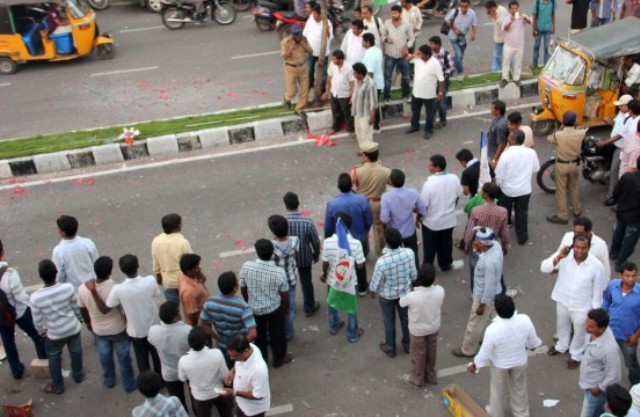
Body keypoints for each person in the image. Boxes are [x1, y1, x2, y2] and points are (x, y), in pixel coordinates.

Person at [467, 294, 542, 417]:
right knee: (519, 389)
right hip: (520, 361)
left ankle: (496, 413)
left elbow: (485, 352)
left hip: (500, 364)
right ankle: (522, 413)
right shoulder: (525, 320)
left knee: (498, 391)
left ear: (497, 310)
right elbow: (533, 342)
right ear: (513, 307)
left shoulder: (493, 329)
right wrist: (531, 345)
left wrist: (476, 365)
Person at [541, 234, 607, 369]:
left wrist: (595, 311)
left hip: (582, 306)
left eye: (584, 248)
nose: (580, 251)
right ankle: (562, 346)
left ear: (589, 247)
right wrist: (559, 256)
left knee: (580, 332)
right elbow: (545, 268)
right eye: (577, 247)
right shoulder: (564, 256)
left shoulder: (597, 266)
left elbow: (598, 290)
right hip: (563, 299)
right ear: (573, 246)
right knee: (562, 325)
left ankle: (576, 355)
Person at [77, 256, 136, 392]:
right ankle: (128, 383)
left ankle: (109, 379)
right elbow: (124, 309)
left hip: (98, 330)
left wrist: (88, 323)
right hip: (118, 328)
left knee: (105, 356)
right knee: (124, 357)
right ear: (110, 271)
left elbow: (82, 308)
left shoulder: (83, 289)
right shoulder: (115, 288)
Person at [30, 259, 84, 395]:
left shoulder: (36, 298)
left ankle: (58, 385)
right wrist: (80, 320)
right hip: (72, 327)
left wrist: (41, 331)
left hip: (55, 333)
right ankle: (78, 375)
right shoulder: (68, 288)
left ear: (41, 276)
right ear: (56, 273)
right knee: (76, 351)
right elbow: (75, 307)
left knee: (54, 356)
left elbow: (37, 320)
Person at [451, 227, 504, 358]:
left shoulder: (489, 262)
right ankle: (496, 340)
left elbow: (489, 287)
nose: (474, 243)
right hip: (495, 292)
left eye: (477, 242)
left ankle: (467, 349)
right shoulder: (496, 246)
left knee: (474, 324)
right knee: (495, 319)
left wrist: (482, 304)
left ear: (483, 244)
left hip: (484, 297)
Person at [239, 239, 292, 368]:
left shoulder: (247, 266)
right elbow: (284, 293)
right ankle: (279, 358)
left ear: (256, 252)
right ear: (272, 253)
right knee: (278, 334)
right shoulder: (278, 272)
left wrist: (247, 300)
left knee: (260, 336)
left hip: (255, 309)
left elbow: (243, 287)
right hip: (274, 308)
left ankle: (262, 361)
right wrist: (286, 306)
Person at [106, 254, 162, 375]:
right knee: (157, 355)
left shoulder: (119, 289)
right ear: (138, 266)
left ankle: (147, 382)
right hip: (154, 325)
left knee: (142, 358)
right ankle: (161, 380)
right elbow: (156, 293)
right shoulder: (150, 280)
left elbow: (110, 303)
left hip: (136, 330)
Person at [0, 239, 47, 381]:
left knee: (8, 341)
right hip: (19, 311)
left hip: (1, 316)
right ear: (2, 252)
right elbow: (20, 296)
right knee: (36, 334)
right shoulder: (9, 273)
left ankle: (16, 370)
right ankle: (43, 360)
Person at [369, 228, 417, 358]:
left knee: (389, 321)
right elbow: (414, 275)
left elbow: (376, 284)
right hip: (405, 294)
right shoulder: (409, 253)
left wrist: (372, 291)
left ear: (386, 242)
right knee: (406, 319)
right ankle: (408, 345)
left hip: (387, 296)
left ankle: (390, 347)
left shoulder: (382, 262)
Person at [324, 173, 373, 295]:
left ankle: (345, 285)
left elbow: (328, 226)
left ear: (338, 186)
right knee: (360, 261)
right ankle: (362, 287)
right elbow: (369, 219)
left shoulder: (332, 203)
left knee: (342, 262)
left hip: (341, 240)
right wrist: (365, 230)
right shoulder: (362, 199)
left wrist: (328, 238)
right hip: (360, 237)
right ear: (351, 185)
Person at [320, 213, 366, 343]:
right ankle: (352, 334)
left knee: (332, 302)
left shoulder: (328, 242)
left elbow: (325, 263)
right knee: (351, 307)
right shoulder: (356, 243)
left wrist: (324, 275)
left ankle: (334, 326)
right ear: (349, 226)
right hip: (350, 282)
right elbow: (361, 265)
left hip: (332, 280)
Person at [199, 271, 257, 368]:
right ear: (235, 288)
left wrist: (216, 337)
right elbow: (253, 333)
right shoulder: (243, 307)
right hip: (241, 349)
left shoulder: (210, 302)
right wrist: (239, 345)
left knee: (230, 369)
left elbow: (202, 324)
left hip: (224, 345)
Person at [399, 264, 444, 387]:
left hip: (418, 331)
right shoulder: (440, 291)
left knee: (418, 354)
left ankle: (417, 378)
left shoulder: (413, 296)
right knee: (432, 351)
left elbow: (401, 302)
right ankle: (431, 375)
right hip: (433, 327)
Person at [495, 129, 540, 245]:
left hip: (507, 190)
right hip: (524, 189)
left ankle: (505, 229)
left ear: (513, 140)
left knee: (505, 211)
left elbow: (499, 174)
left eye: (509, 137)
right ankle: (522, 236)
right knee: (522, 213)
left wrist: (497, 185)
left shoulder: (506, 155)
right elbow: (536, 168)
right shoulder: (531, 152)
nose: (508, 139)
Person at [463, 184, 510, 293]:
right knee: (496, 269)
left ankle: (474, 291)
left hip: (478, 246)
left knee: (475, 269)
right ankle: (501, 290)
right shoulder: (503, 211)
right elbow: (504, 232)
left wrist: (467, 245)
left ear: (485, 194)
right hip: (493, 245)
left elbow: (470, 231)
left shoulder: (476, 211)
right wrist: (505, 246)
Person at [420, 154, 463, 271]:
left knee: (429, 247)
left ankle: (427, 268)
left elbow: (423, 205)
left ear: (438, 168)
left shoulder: (429, 184)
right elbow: (458, 195)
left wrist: (419, 217)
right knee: (445, 245)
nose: (428, 167)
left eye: (430, 165)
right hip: (448, 221)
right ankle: (445, 264)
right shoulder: (454, 178)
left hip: (431, 223)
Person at [178, 327, 232, 417]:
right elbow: (225, 375)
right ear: (206, 341)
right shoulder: (216, 353)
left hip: (199, 396)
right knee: (226, 413)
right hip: (219, 391)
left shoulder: (183, 361)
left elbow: (182, 377)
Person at [283, 192, 321, 317]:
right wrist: (316, 255)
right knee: (306, 282)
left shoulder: (283, 222)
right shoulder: (307, 222)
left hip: (288, 259)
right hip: (305, 258)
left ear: (286, 206)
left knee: (288, 284)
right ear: (298, 204)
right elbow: (315, 241)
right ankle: (309, 307)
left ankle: (288, 307)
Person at [578, 309, 622, 417]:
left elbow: (614, 376)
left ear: (601, 329)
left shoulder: (609, 349)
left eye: (591, 326)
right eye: (587, 323)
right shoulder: (593, 333)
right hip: (589, 383)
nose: (586, 327)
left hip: (596, 389)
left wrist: (598, 389)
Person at [380, 168, 427, 270]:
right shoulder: (413, 193)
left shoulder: (386, 197)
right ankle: (415, 277)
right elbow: (423, 209)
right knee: (413, 254)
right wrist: (418, 218)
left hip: (394, 233)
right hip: (409, 231)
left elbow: (385, 218)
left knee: (395, 258)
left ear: (391, 182)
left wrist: (383, 227)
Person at [148, 302, 192, 410]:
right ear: (175, 317)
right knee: (194, 394)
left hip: (169, 372)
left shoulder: (154, 331)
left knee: (177, 401)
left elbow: (151, 340)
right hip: (188, 369)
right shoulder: (187, 331)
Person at [602, 262, 640, 386]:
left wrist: (636, 336)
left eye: (633, 276)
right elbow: (607, 301)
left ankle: (635, 386)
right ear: (621, 275)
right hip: (609, 332)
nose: (630, 279)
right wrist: (601, 322)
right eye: (627, 275)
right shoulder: (613, 285)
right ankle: (609, 382)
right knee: (607, 358)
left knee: (631, 362)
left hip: (628, 336)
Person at [351, 141, 391, 258]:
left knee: (361, 228)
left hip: (361, 203)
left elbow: (351, 184)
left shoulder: (356, 171)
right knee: (379, 229)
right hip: (377, 203)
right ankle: (380, 252)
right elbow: (391, 182)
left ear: (366, 157)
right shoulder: (385, 171)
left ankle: (363, 252)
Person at [546, 111, 586, 224]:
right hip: (574, 164)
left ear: (563, 121)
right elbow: (582, 130)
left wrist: (560, 128)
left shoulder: (558, 134)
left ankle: (563, 216)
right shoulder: (581, 133)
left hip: (562, 165)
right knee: (573, 187)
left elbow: (549, 139)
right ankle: (577, 210)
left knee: (561, 191)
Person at [219, 334, 271, 417]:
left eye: (235, 356)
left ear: (246, 351)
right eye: (230, 356)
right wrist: (232, 371)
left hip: (253, 411)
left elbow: (258, 395)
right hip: (242, 404)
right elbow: (239, 363)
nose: (232, 359)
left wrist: (235, 393)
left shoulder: (258, 371)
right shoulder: (249, 347)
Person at [597, 95, 633, 205]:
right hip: (613, 143)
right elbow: (616, 123)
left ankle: (612, 195)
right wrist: (610, 122)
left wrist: (605, 142)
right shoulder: (621, 113)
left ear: (628, 106)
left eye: (621, 106)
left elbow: (619, 135)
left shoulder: (629, 118)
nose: (619, 107)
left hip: (620, 147)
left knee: (614, 170)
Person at [268, 214, 299, 341]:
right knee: (289, 308)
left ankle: (278, 331)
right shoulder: (295, 240)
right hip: (290, 278)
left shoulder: (270, 246)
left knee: (277, 306)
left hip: (276, 281)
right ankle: (289, 332)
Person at [405, 44, 445, 141]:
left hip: (429, 94)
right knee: (415, 111)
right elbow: (407, 59)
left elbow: (441, 80)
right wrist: (414, 54)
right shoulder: (417, 58)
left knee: (430, 113)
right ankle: (414, 126)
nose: (420, 56)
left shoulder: (435, 63)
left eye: (422, 54)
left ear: (427, 55)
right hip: (417, 92)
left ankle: (429, 130)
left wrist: (440, 93)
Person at [151, 213, 192, 304]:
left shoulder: (156, 241)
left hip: (168, 282)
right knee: (190, 307)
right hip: (184, 281)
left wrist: (159, 276)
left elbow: (156, 262)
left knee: (173, 309)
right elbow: (190, 262)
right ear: (177, 226)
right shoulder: (183, 243)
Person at [52, 214, 99, 290]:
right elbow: (96, 263)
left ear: (63, 232)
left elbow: (59, 275)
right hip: (93, 286)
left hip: (75, 290)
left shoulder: (58, 251)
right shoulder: (87, 243)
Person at [610, 155, 640, 271]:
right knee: (629, 240)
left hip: (622, 212)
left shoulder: (627, 177)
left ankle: (613, 253)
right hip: (635, 218)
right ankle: (620, 263)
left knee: (618, 233)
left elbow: (615, 193)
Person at [382, 4, 414, 103]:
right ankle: (387, 96)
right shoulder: (387, 23)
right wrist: (386, 39)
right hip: (390, 55)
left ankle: (406, 94)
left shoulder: (406, 24)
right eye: (392, 13)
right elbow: (381, 36)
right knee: (387, 77)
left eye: (395, 13)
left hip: (402, 55)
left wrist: (407, 46)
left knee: (406, 77)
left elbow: (412, 38)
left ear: (400, 13)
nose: (393, 15)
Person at [322, 50, 354, 136]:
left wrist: (352, 97)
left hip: (344, 94)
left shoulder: (349, 68)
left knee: (347, 113)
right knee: (335, 111)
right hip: (334, 92)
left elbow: (352, 83)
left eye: (335, 59)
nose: (333, 61)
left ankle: (351, 129)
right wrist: (327, 91)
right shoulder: (332, 65)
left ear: (340, 60)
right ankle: (335, 127)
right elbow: (329, 79)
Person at [281, 24, 312, 112]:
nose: (298, 37)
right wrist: (291, 47)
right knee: (292, 91)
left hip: (302, 67)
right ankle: (287, 98)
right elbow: (284, 57)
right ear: (292, 35)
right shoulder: (286, 42)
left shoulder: (304, 39)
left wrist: (303, 45)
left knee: (305, 90)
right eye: (296, 35)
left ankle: (299, 108)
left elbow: (310, 52)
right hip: (291, 68)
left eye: (300, 34)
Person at [443, 0, 477, 80]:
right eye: (462, 6)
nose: (463, 9)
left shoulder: (472, 13)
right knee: (458, 55)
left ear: (468, 6)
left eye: (465, 7)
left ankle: (451, 65)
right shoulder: (454, 12)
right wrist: (454, 29)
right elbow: (447, 20)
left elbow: (474, 24)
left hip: (462, 38)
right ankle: (460, 73)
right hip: (453, 37)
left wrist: (474, 33)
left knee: (460, 56)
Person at [500, 1, 531, 88]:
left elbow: (530, 22)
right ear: (509, 9)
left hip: (519, 45)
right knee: (506, 62)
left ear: (518, 8)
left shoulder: (522, 16)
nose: (514, 10)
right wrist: (511, 22)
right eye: (512, 8)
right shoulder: (507, 18)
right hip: (508, 45)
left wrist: (524, 18)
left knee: (518, 62)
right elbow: (504, 28)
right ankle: (505, 79)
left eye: (516, 8)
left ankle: (516, 79)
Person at [303, 3, 333, 92]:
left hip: (323, 53)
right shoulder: (310, 19)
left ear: (321, 15)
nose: (314, 16)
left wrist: (327, 30)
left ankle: (323, 90)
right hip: (311, 52)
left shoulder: (327, 23)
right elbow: (305, 34)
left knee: (323, 74)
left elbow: (330, 37)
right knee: (309, 71)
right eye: (314, 13)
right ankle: (309, 87)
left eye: (316, 14)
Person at [429, 36, 455, 129]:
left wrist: (442, 77)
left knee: (441, 101)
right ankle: (431, 121)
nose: (430, 46)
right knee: (432, 101)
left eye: (432, 44)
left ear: (438, 45)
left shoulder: (446, 55)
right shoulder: (430, 55)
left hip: (442, 82)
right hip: (432, 81)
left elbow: (451, 68)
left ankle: (442, 120)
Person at [350, 63, 379, 147]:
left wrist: (372, 117)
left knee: (366, 134)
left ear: (360, 73)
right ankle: (363, 149)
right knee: (359, 133)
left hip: (366, 115)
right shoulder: (357, 81)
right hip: (357, 113)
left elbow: (374, 102)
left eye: (354, 72)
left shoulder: (370, 84)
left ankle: (368, 153)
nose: (353, 74)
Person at [361, 33, 384, 133]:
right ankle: (376, 124)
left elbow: (370, 72)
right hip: (378, 82)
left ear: (367, 42)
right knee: (374, 104)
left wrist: (365, 85)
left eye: (363, 41)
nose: (362, 43)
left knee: (373, 105)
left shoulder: (370, 53)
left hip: (372, 83)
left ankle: (376, 126)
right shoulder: (377, 50)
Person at [178, 253, 209, 326]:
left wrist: (198, 271)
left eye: (198, 265)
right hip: (202, 323)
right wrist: (196, 329)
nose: (200, 268)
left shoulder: (187, 275)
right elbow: (192, 314)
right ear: (188, 270)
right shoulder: (189, 292)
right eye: (196, 268)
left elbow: (203, 279)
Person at [485, 0, 509, 72]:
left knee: (508, 54)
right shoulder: (494, 11)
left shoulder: (502, 11)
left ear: (492, 7)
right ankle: (496, 69)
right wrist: (492, 15)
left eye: (489, 9)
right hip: (498, 36)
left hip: (505, 36)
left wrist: (495, 16)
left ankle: (511, 67)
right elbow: (489, 16)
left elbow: (503, 23)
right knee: (497, 55)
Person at [531, 0, 555, 68]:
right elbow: (534, 16)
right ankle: (534, 63)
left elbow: (553, 14)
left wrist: (554, 27)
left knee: (547, 47)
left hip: (548, 28)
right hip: (538, 28)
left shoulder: (552, 2)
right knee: (536, 46)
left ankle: (546, 64)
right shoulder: (537, 2)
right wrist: (533, 28)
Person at [487, 100, 509, 166]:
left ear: (498, 111)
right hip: (492, 150)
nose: (490, 110)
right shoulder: (499, 118)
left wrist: (494, 160)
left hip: (495, 154)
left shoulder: (500, 126)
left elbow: (502, 144)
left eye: (492, 108)